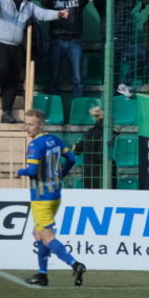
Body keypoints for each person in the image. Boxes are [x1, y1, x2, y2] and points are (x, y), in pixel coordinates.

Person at [16, 108, 86, 288]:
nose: (27, 128)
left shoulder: (35, 145)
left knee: (46, 237)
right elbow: (72, 159)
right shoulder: (55, 139)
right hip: (55, 194)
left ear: (40, 125)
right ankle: (42, 274)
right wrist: (60, 175)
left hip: (41, 197)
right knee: (37, 233)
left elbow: (31, 171)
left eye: (31, 124)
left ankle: (75, 264)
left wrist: (19, 171)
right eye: (26, 123)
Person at [0, 0, 68, 123]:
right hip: (0, 42)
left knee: (13, 79)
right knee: (1, 68)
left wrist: (58, 14)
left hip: (16, 45)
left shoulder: (28, 5)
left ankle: (7, 112)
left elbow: (42, 13)